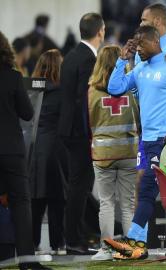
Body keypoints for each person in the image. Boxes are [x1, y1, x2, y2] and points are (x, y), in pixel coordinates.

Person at [104, 25, 166, 260]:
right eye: (135, 46)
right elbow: (114, 89)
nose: (138, 50)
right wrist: (121, 61)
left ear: (154, 42)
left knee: (146, 188)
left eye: (140, 45)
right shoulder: (139, 70)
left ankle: (135, 241)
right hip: (146, 140)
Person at [0, 31, 51, 270]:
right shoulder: (13, 77)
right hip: (11, 151)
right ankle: (27, 262)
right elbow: (28, 114)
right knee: (21, 204)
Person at [57, 12, 105, 255]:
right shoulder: (88, 60)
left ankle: (80, 235)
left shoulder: (71, 56)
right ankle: (74, 240)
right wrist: (92, 135)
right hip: (80, 133)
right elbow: (84, 102)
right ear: (101, 32)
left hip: (67, 130)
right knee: (79, 187)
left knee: (79, 186)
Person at [87, 45, 139, 260]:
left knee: (106, 202)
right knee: (127, 203)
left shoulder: (92, 90)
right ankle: (129, 249)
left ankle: (106, 249)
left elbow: (88, 121)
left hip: (103, 154)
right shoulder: (130, 86)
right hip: (128, 150)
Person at [30, 49, 66, 256]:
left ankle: (32, 243)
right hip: (57, 149)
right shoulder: (63, 91)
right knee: (57, 200)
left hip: (34, 150)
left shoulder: (32, 90)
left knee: (35, 200)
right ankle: (58, 244)